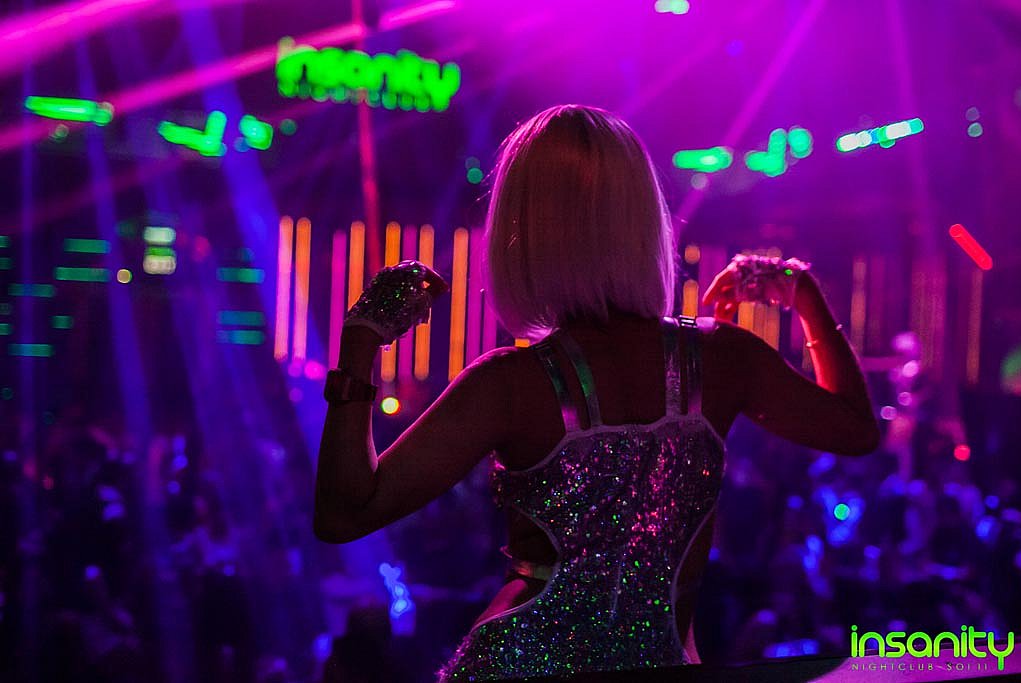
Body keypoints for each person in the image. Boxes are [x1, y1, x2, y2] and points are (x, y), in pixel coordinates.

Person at [313, 104, 879, 680]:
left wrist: (361, 341)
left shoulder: (511, 383)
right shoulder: (722, 357)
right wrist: (802, 294)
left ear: (523, 231)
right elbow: (856, 427)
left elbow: (342, 513)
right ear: (644, 220)